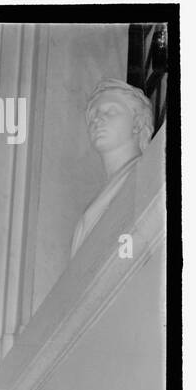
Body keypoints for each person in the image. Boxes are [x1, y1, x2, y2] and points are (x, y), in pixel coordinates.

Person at [70, 79, 156, 258]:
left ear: (138, 123)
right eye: (93, 115)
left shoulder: (148, 178)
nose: (97, 119)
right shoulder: (98, 201)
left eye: (110, 111)